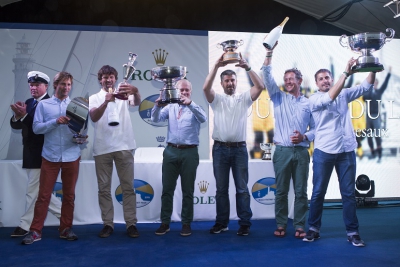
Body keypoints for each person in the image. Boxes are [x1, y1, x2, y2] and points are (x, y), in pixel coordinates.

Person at [303, 58, 375, 247]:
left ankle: (353, 232)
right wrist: (346, 73)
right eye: (321, 79)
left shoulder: (344, 93)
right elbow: (329, 98)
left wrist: (372, 67)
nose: (325, 81)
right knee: (318, 192)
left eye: (327, 77)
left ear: (331, 78)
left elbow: (365, 86)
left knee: (348, 194)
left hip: (346, 151)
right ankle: (313, 229)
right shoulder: (315, 99)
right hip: (324, 152)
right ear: (317, 83)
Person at [22, 71, 87, 245]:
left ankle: (65, 229)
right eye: (63, 84)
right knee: (43, 196)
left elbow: (81, 130)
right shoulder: (44, 105)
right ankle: (35, 231)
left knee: (69, 196)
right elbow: (36, 129)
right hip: (50, 156)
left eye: (69, 85)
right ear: (55, 85)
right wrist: (55, 122)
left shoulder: (77, 106)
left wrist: (81, 138)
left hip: (72, 155)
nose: (66, 88)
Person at [203, 53, 264, 236]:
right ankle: (222, 223)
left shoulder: (243, 98)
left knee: (242, 188)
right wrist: (216, 66)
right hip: (220, 149)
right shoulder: (217, 100)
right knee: (221, 189)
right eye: (227, 81)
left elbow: (260, 86)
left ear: (236, 82)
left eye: (232, 80)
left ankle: (244, 223)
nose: (230, 83)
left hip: (239, 150)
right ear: (222, 83)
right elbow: (206, 88)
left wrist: (247, 67)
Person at [262, 43, 315, 239]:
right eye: (286, 79)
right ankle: (281, 224)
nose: (288, 82)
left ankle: (300, 225)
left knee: (301, 192)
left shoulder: (309, 103)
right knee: (281, 191)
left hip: (301, 151)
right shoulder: (277, 97)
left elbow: (317, 129)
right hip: (282, 151)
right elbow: (266, 76)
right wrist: (269, 53)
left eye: (291, 79)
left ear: (300, 80)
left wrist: (305, 137)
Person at [89, 65, 141, 238]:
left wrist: (135, 90)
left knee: (128, 188)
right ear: (100, 80)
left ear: (115, 78)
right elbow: (94, 117)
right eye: (104, 77)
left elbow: (136, 102)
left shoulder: (124, 95)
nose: (108, 79)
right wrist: (106, 101)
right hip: (102, 148)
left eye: (111, 76)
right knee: (103, 189)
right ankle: (108, 224)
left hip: (124, 146)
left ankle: (131, 224)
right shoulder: (94, 97)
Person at [151, 79, 207, 237]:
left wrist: (190, 103)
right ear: (176, 91)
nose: (183, 93)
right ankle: (165, 222)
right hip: (170, 151)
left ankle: (186, 223)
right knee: (167, 190)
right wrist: (157, 105)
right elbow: (155, 119)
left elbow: (203, 118)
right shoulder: (170, 107)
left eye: (186, 90)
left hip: (190, 152)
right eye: (181, 90)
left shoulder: (195, 107)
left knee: (187, 190)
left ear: (191, 91)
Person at [9, 71, 62, 238]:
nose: (33, 87)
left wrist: (24, 116)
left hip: (44, 153)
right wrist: (18, 116)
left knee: (33, 191)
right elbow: (18, 126)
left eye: (37, 85)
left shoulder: (51, 104)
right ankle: (66, 215)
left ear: (46, 86)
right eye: (31, 85)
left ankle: (25, 225)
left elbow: (39, 129)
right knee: (41, 192)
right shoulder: (29, 102)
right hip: (30, 153)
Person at [363, 67, 391, 163]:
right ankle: (373, 154)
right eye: (373, 83)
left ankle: (379, 155)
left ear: (377, 84)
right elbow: (364, 98)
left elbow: (385, 84)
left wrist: (389, 74)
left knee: (377, 136)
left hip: (376, 116)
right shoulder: (368, 92)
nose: (374, 84)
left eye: (376, 83)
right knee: (369, 136)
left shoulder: (379, 91)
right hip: (368, 116)